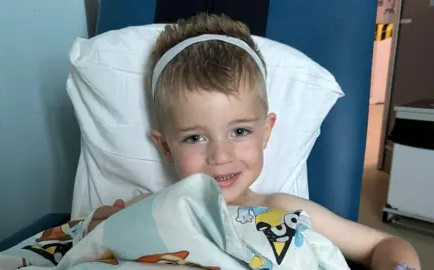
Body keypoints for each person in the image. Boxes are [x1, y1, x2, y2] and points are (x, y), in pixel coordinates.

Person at [88, 13, 421, 270]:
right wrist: (99, 227)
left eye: (239, 131)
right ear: (165, 147)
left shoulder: (283, 209)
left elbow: (383, 243)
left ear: (267, 131)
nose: (219, 155)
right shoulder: (150, 210)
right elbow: (90, 243)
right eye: (194, 137)